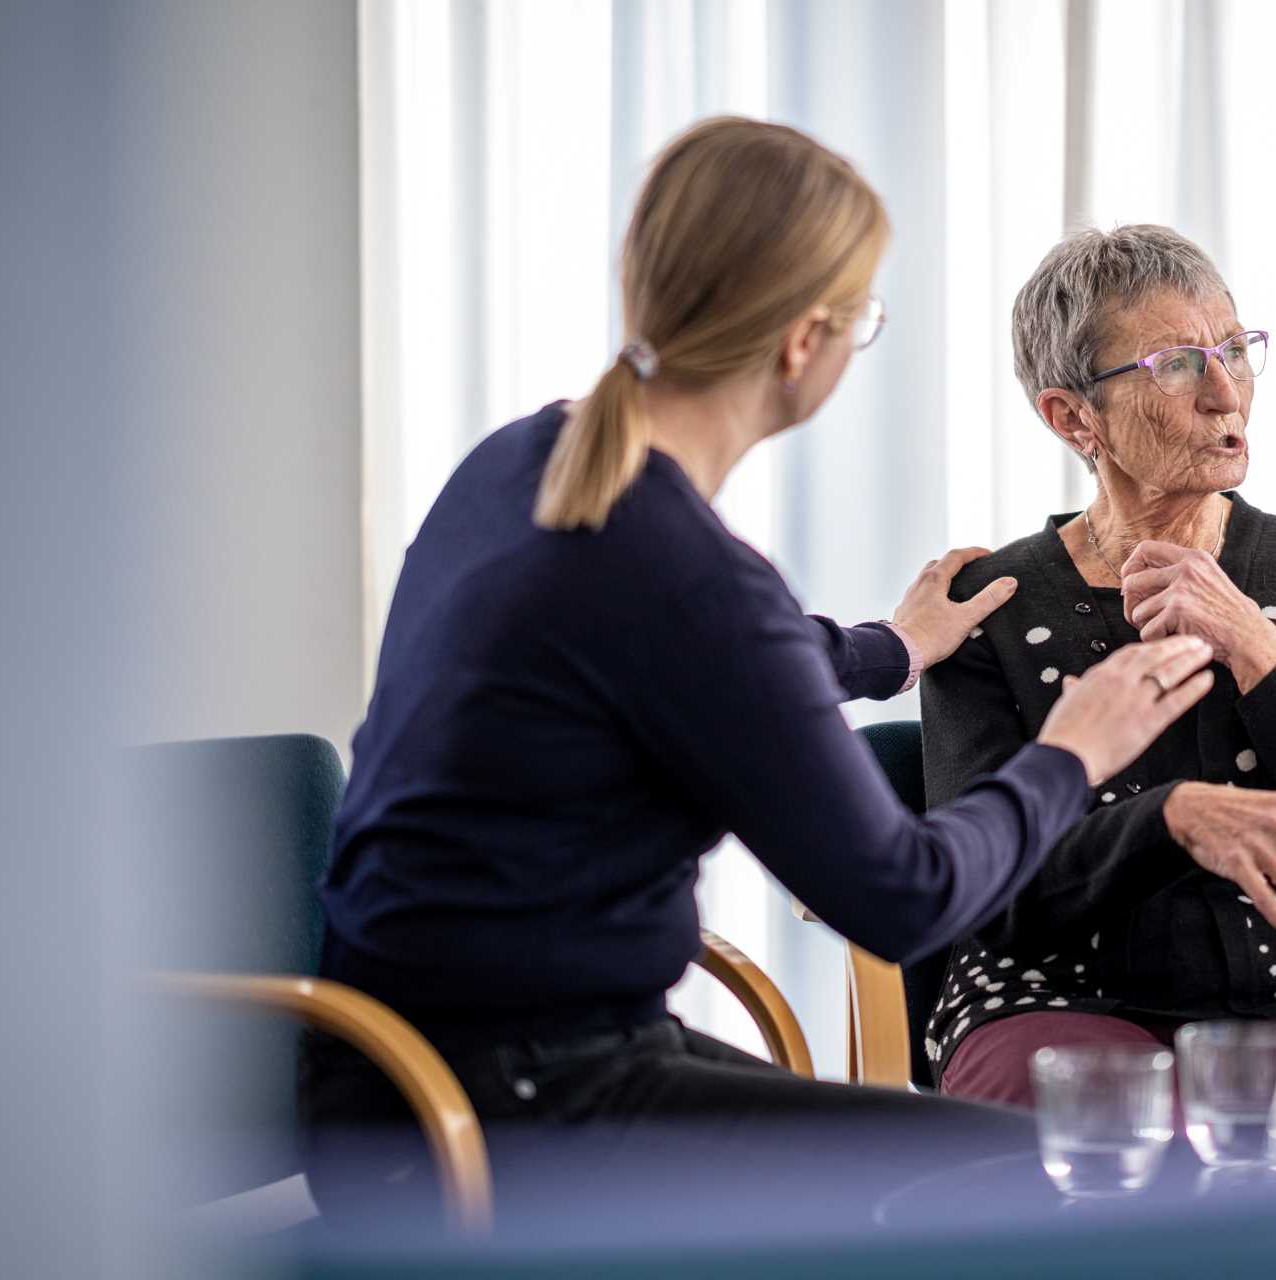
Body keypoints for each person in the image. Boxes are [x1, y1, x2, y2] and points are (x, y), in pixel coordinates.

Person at [301, 119, 1216, 1230]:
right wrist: (1076, 746)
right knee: (1092, 1173)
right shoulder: (687, 574)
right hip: (505, 1114)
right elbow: (905, 897)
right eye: (862, 320)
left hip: (390, 1082)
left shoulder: (523, 463)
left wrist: (891, 648)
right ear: (802, 343)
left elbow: (689, 658)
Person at [919, 225, 1276, 1105]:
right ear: (1071, 416)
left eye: (1236, 349)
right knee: (1078, 1123)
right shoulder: (987, 606)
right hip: (1056, 994)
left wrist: (1257, 646)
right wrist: (1170, 819)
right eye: (1176, 363)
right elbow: (984, 887)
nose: (1225, 391)